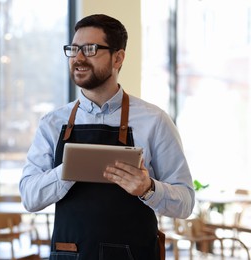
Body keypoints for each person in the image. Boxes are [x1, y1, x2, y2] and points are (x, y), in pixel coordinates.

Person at [20, 14, 195, 260]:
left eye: (90, 49)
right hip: (69, 255)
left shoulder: (154, 121)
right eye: (73, 49)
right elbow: (29, 197)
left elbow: (186, 202)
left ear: (118, 57)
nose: (78, 58)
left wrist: (148, 188)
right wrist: (68, 171)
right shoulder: (52, 123)